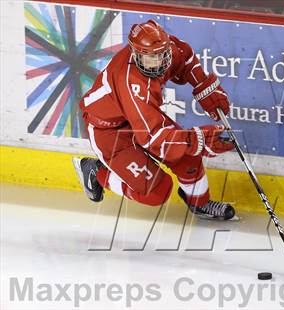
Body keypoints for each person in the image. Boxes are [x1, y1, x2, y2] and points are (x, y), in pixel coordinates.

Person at [73, 19, 236, 220]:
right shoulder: (131, 82)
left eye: (162, 55)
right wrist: (196, 140)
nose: (158, 62)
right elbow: (152, 138)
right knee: (157, 192)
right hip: (109, 131)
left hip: (142, 121)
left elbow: (185, 59)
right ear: (136, 54)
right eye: (151, 58)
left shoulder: (166, 49)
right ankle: (96, 171)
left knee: (187, 157)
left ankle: (200, 204)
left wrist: (203, 86)